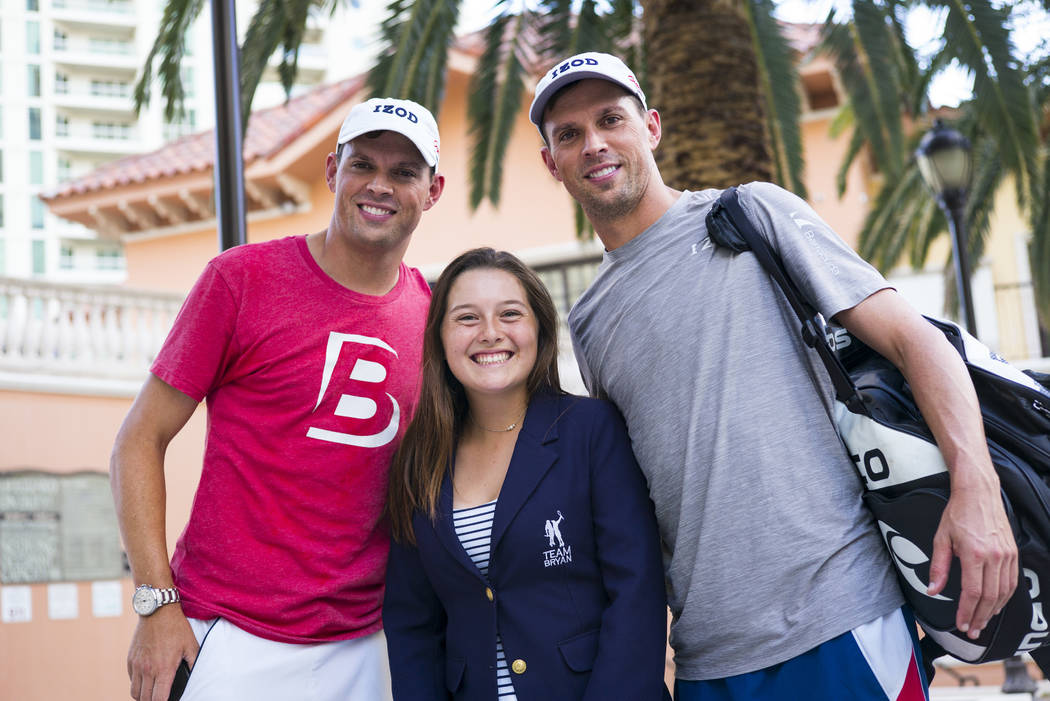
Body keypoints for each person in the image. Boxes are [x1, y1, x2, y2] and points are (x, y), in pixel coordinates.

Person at [529, 52, 1018, 700]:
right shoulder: (588, 323)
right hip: (709, 660)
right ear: (551, 162)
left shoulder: (749, 214)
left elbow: (913, 338)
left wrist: (975, 485)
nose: (593, 143)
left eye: (610, 118)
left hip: (846, 623)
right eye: (568, 133)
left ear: (650, 127)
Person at [110, 97, 445, 701]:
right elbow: (140, 438)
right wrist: (155, 602)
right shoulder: (240, 279)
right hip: (228, 634)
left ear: (433, 190)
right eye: (362, 164)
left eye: (403, 172)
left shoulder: (434, 315)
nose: (379, 186)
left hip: (369, 645)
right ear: (331, 172)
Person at [383, 247, 670, 701]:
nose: (491, 334)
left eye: (510, 313)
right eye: (467, 318)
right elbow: (413, 626)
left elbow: (636, 593)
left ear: (538, 326)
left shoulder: (590, 431)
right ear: (439, 337)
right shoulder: (419, 460)